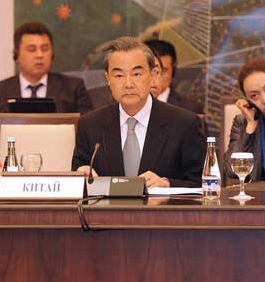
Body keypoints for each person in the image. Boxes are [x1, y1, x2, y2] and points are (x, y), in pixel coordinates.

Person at [72, 37, 206, 188]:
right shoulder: (90, 125)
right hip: (107, 211)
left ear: (154, 75)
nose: (128, 84)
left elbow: (202, 184)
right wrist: (80, 176)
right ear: (107, 79)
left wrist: (167, 183)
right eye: (119, 76)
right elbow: (78, 179)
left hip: (161, 210)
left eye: (136, 74)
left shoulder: (185, 124)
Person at [0, 21, 94, 145]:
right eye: (31, 49)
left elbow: (89, 129)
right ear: (16, 54)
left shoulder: (73, 87)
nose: (39, 55)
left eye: (45, 49)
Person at [144, 39, 203, 114]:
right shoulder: (127, 105)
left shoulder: (190, 110)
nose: (156, 77)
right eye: (152, 70)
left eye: (163, 70)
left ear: (173, 71)